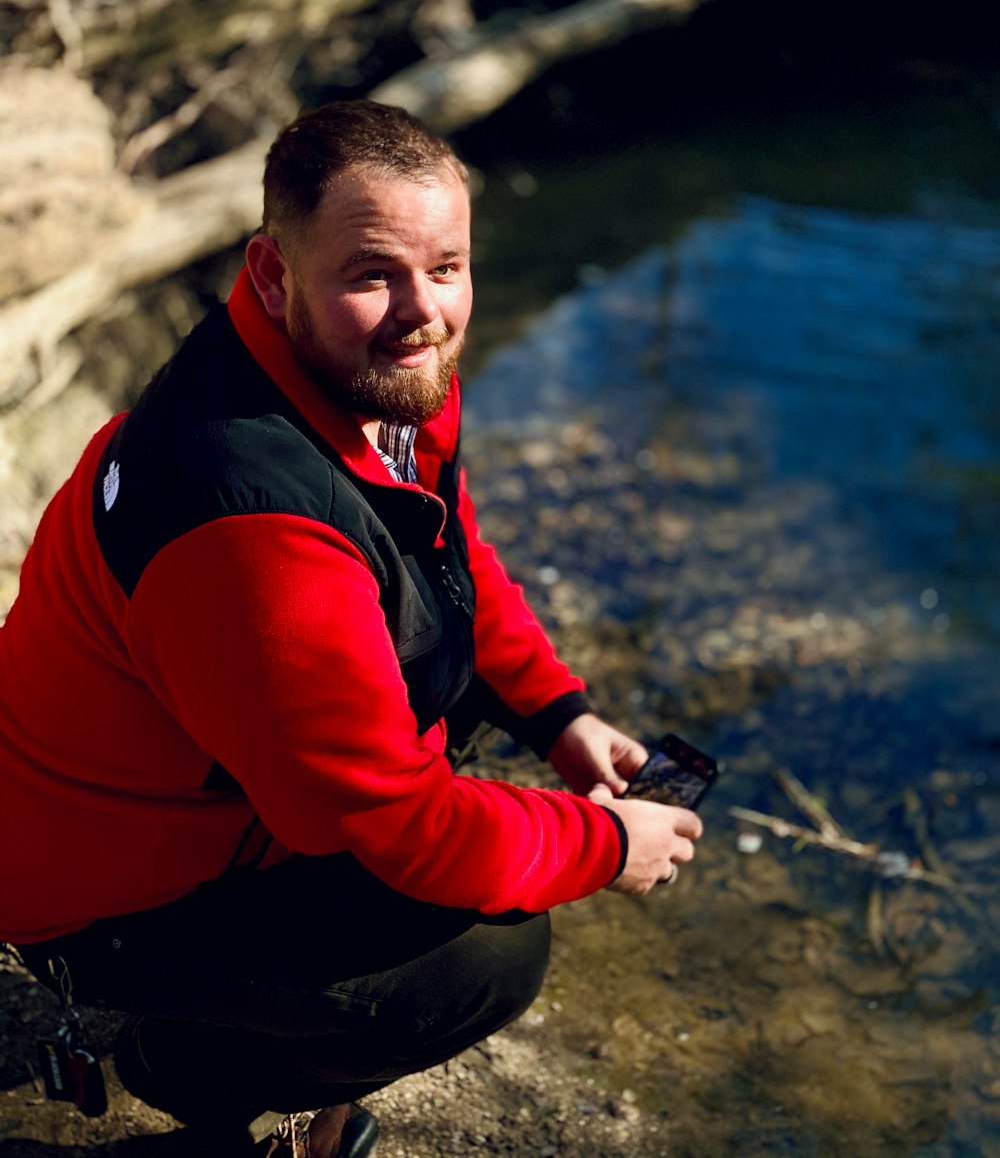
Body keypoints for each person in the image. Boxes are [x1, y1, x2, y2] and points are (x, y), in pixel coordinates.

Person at [0, 100, 702, 1157]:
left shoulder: (363, 371)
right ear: (275, 273)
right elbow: (403, 828)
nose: (423, 312)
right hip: (102, 892)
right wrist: (605, 842)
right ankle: (177, 1067)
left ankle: (209, 1040)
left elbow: (447, 557)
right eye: (373, 274)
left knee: (468, 822)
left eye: (448, 268)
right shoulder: (246, 520)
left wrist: (557, 715)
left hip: (217, 809)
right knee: (478, 962)